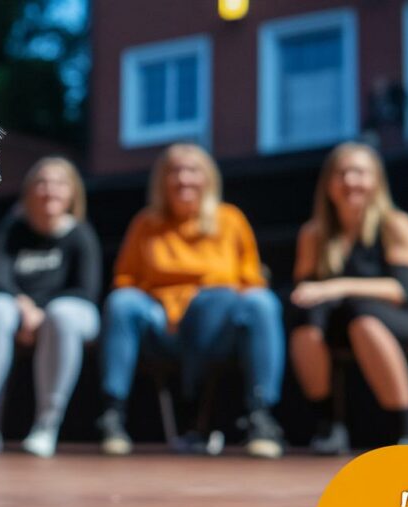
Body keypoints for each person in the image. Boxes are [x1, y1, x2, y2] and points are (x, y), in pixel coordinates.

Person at [97, 143, 285, 458]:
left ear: (208, 179)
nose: (183, 179)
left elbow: (250, 278)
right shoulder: (146, 223)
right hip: (163, 324)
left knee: (261, 303)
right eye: (174, 171)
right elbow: (126, 279)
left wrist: (216, 300)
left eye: (192, 171)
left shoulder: (230, 220)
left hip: (219, 323)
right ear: (162, 181)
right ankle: (112, 415)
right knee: (121, 302)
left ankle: (261, 416)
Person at [289, 143, 408, 454]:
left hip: (398, 320)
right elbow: (305, 293)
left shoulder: (395, 224)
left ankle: (406, 431)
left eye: (359, 172)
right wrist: (323, 293)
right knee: (305, 323)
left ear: (376, 180)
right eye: (341, 173)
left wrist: (337, 286)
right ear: (328, 183)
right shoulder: (314, 234)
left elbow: (403, 291)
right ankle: (327, 425)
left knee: (363, 318)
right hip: (336, 324)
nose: (350, 180)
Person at [0, 156, 102, 457]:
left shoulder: (80, 234)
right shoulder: (13, 228)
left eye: (59, 184)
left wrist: (43, 312)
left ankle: (46, 426)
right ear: (29, 191)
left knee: (61, 315)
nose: (49, 190)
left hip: (69, 313)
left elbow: (86, 290)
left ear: (72, 193)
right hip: (21, 309)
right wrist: (25, 305)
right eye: (42, 182)